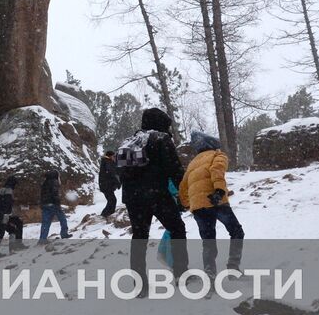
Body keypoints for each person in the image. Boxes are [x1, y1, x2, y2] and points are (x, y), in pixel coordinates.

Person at [117, 108, 187, 286]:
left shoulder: (129, 142)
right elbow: (175, 169)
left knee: (139, 237)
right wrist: (184, 193)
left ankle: (139, 283)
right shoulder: (161, 139)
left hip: (133, 199)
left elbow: (123, 173)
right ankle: (181, 272)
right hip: (157, 195)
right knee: (177, 228)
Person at [179, 130, 244, 275]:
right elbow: (217, 170)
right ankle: (233, 267)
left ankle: (210, 274)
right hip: (216, 201)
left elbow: (183, 186)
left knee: (208, 241)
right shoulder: (217, 155)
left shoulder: (192, 164)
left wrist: (187, 204)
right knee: (236, 231)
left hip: (198, 208)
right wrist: (219, 191)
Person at [0, 176, 24, 255]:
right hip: (2, 215)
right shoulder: (8, 191)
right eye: (15, 184)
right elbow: (6, 204)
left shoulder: (1, 190)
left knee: (12, 227)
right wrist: (6, 215)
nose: (15, 186)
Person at [38, 170, 71, 243]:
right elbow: (55, 194)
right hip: (53, 204)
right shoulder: (54, 182)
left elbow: (42, 195)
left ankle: (42, 239)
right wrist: (58, 204)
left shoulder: (45, 183)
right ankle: (64, 234)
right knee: (62, 219)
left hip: (45, 205)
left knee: (45, 223)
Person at [97, 149, 120, 219]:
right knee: (112, 200)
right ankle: (106, 214)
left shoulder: (106, 161)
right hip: (106, 185)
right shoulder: (108, 162)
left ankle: (106, 214)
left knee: (111, 200)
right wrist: (117, 182)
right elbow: (112, 173)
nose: (114, 158)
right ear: (110, 156)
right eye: (113, 156)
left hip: (105, 185)